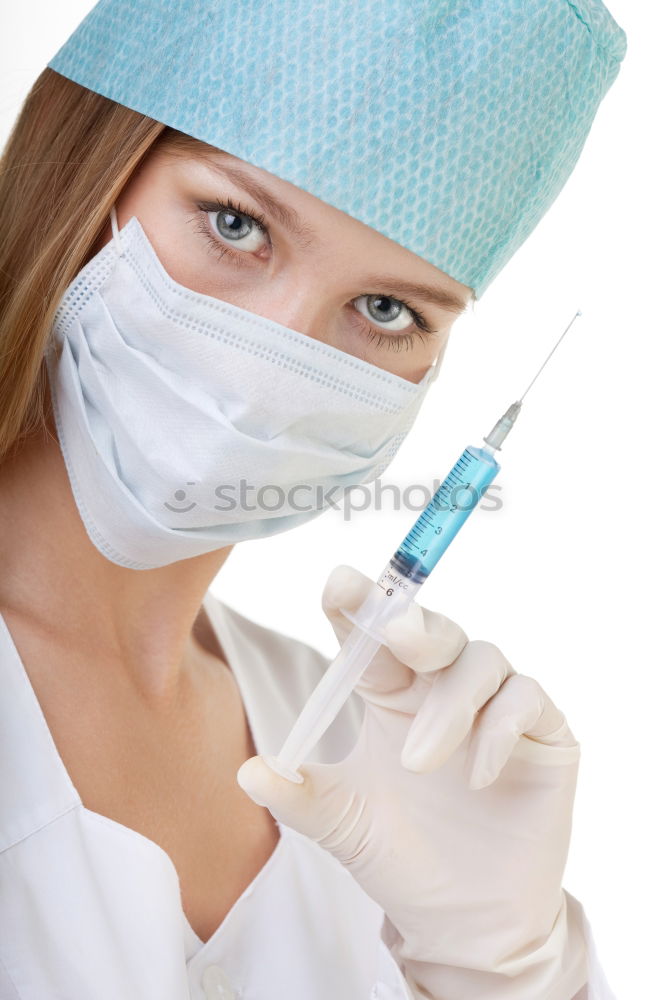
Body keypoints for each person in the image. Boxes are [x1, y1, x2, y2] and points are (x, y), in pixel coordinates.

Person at [0, 1, 627, 998]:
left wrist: (508, 967)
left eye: (386, 310)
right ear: (91, 171)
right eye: (236, 224)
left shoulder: (359, 757)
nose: (272, 368)